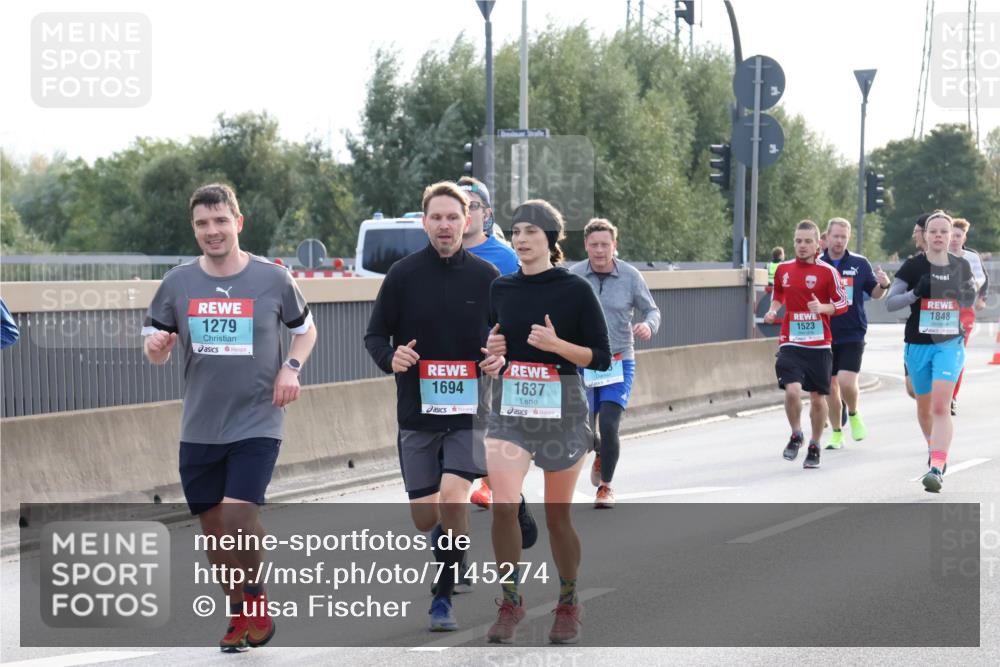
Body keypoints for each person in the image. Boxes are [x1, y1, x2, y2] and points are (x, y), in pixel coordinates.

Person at [142, 183, 317, 652]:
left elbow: (305, 331)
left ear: (238, 223)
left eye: (221, 221)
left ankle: (256, 599)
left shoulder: (273, 278)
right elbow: (154, 346)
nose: (212, 231)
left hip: (258, 420)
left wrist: (291, 368)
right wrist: (156, 347)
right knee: (215, 533)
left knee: (240, 515)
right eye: (202, 223)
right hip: (200, 426)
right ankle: (238, 612)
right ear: (194, 229)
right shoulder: (177, 283)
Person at [364, 181, 535, 632]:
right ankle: (451, 547)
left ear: (468, 221)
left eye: (453, 217)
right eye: (436, 217)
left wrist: (500, 358)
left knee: (455, 499)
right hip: (417, 412)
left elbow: (509, 340)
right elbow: (376, 335)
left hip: (468, 411)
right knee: (426, 518)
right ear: (424, 222)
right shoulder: (402, 275)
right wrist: (391, 358)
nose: (444, 225)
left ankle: (441, 600)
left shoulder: (486, 277)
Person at [483, 200, 611, 644]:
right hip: (511, 409)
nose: (520, 239)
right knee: (503, 503)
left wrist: (557, 345)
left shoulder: (574, 290)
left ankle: (568, 601)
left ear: (551, 240)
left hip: (562, 410)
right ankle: (511, 601)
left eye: (530, 232)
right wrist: (493, 359)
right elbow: (494, 347)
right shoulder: (502, 287)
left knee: (558, 518)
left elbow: (600, 356)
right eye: (516, 231)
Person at [569, 218, 660, 508]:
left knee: (609, 425)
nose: (599, 250)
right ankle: (601, 451)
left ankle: (605, 487)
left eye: (605, 245)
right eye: (594, 245)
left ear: (614, 245)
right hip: (583, 360)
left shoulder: (631, 276)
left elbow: (652, 310)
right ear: (586, 245)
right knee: (582, 430)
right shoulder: (574, 276)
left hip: (618, 360)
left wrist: (648, 325)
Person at [886, 212, 977, 492]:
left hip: (949, 344)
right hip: (917, 345)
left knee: (940, 405)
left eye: (944, 232)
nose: (938, 236)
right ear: (925, 235)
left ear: (951, 237)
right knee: (923, 407)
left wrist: (965, 292)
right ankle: (933, 446)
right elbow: (891, 303)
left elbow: (971, 294)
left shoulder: (961, 266)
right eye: (933, 231)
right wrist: (916, 293)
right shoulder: (912, 267)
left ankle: (936, 467)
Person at [763, 220, 848, 468]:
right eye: (798, 241)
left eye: (807, 241)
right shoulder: (783, 269)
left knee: (818, 399)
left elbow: (843, 304)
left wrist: (822, 308)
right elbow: (779, 293)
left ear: (817, 244)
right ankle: (796, 433)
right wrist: (773, 309)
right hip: (791, 340)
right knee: (791, 390)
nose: (802, 246)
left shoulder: (827, 272)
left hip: (820, 344)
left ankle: (815, 444)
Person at [457, 176, 519, 510]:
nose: (465, 214)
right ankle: (488, 482)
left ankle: (491, 484)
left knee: (487, 421)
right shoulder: (439, 253)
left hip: (493, 358)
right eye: (459, 207)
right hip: (450, 359)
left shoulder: (505, 257)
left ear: (487, 213)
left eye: (472, 206)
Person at [819, 218, 890, 449]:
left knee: (846, 382)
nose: (839, 241)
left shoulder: (859, 263)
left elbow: (875, 293)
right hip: (824, 333)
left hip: (852, 332)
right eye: (835, 236)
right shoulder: (817, 264)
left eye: (843, 237)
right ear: (827, 237)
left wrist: (884, 285)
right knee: (830, 387)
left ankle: (854, 413)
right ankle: (837, 434)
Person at [947, 218, 990, 414]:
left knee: (957, 355)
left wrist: (982, 298)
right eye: (952, 235)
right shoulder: (939, 254)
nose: (954, 239)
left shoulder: (972, 257)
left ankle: (951, 396)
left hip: (964, 310)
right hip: (941, 309)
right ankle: (937, 392)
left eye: (958, 235)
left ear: (964, 237)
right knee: (938, 352)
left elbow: (983, 278)